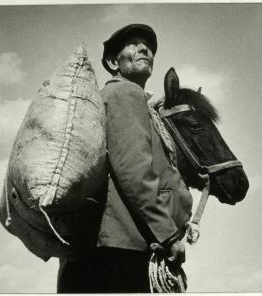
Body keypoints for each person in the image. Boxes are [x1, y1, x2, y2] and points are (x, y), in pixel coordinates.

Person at [57, 23, 193, 293]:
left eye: (149, 47)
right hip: (121, 250)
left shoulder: (118, 97)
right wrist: (167, 234)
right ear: (112, 61)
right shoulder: (125, 93)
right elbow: (134, 171)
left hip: (99, 251)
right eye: (134, 44)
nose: (145, 49)